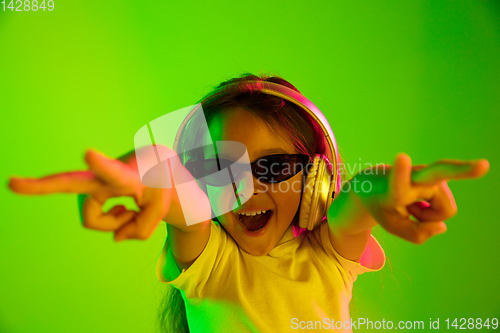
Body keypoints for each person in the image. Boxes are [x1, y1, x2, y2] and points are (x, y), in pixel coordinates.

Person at [7, 73, 490, 333]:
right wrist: (142, 172)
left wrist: (385, 189)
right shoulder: (208, 262)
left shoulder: (329, 257)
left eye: (275, 167)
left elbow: (361, 196)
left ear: (317, 181)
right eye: (220, 169)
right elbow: (172, 188)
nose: (248, 189)